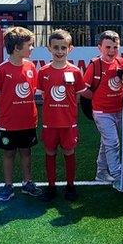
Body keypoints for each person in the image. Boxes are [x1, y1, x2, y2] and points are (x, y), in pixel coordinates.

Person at [0, 26, 42, 202]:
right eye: (30, 45)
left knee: (26, 152)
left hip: (28, 120)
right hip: (8, 122)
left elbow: (32, 89)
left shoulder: (31, 67)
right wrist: (7, 106)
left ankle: (27, 183)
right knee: (9, 153)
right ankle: (8, 186)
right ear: (17, 48)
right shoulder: (2, 70)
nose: (32, 48)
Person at [37, 30, 86, 201]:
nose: (59, 51)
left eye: (63, 48)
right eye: (55, 47)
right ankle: (51, 187)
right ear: (49, 48)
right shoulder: (43, 71)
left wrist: (70, 114)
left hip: (68, 123)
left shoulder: (75, 71)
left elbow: (77, 96)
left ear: (70, 49)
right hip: (50, 123)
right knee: (50, 152)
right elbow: (43, 95)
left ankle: (70, 186)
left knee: (69, 152)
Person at [81, 30, 123, 183]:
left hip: (120, 110)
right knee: (113, 142)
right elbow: (83, 89)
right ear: (99, 47)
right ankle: (117, 174)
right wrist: (98, 97)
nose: (112, 51)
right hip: (101, 112)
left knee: (107, 142)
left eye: (115, 47)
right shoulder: (95, 65)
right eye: (108, 47)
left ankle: (101, 172)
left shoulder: (121, 63)